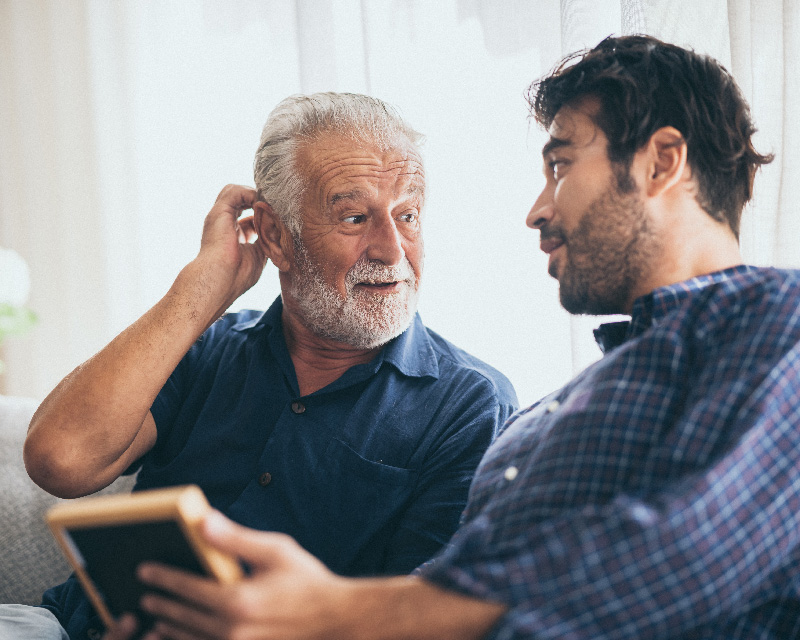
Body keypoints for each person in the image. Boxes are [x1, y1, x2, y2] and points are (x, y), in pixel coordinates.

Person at [103, 34, 800, 640]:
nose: (537, 210)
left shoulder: (782, 325)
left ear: (661, 162)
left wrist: (339, 613)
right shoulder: (588, 393)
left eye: (560, 164)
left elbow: (684, 556)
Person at [18, 92, 517, 639]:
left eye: (408, 215)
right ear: (276, 235)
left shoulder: (470, 404)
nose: (393, 250)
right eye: (355, 217)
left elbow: (424, 618)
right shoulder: (211, 345)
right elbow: (59, 459)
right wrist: (200, 291)